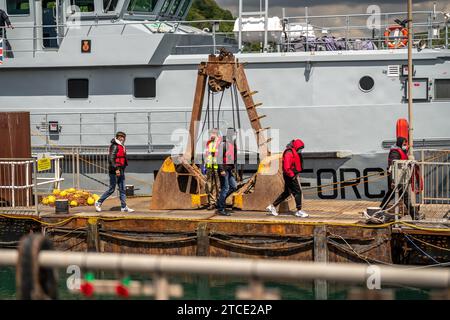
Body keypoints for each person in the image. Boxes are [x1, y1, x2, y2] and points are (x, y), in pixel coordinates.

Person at [266, 139, 309, 218]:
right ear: (296, 147)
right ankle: (299, 211)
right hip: (290, 176)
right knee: (298, 192)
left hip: (290, 175)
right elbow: (286, 167)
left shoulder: (293, 152)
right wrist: (292, 175)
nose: (301, 150)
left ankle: (272, 206)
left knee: (287, 193)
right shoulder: (289, 153)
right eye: (300, 149)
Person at [95, 132, 134, 213]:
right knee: (112, 189)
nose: (122, 138)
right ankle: (98, 202)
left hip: (121, 169)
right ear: (117, 137)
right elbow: (111, 159)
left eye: (123, 137)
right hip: (114, 170)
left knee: (122, 189)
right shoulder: (115, 146)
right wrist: (116, 169)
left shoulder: (122, 146)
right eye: (120, 137)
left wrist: (121, 169)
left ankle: (124, 207)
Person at [379, 136, 417, 219]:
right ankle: (414, 215)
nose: (405, 145)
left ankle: (380, 210)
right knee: (405, 196)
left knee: (390, 195)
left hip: (399, 178)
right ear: (400, 143)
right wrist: (392, 181)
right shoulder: (394, 153)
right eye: (404, 144)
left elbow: (402, 158)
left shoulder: (399, 150)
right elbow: (393, 165)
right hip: (396, 178)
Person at [215, 128, 238, 216]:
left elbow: (233, 157)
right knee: (225, 188)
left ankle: (220, 201)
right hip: (223, 169)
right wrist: (221, 170)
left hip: (228, 169)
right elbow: (219, 158)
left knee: (233, 186)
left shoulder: (233, 144)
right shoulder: (223, 144)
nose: (235, 135)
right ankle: (221, 208)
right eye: (234, 134)